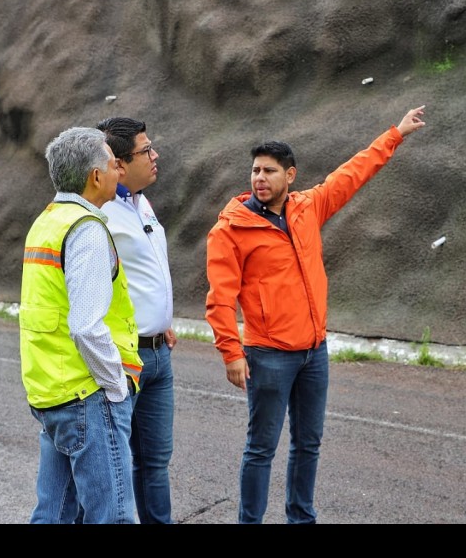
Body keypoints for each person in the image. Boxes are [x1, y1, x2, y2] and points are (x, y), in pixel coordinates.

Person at [205, 105, 427, 524]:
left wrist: (395, 134)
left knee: (308, 444)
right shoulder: (230, 230)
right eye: (255, 170)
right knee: (261, 448)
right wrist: (231, 352)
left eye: (269, 171)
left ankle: (301, 518)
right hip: (268, 354)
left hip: (314, 352)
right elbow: (220, 298)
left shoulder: (308, 207)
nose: (259, 178)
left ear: (290, 175)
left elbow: (353, 173)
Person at [19, 126, 143, 524]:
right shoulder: (86, 229)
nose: (119, 169)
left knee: (53, 514)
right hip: (87, 392)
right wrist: (116, 386)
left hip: (51, 390)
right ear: (95, 176)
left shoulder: (47, 221)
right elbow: (86, 326)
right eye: (112, 162)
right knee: (113, 516)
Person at [97, 117, 177, 524]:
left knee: (156, 463)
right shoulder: (102, 214)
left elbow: (143, 274)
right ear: (120, 165)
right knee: (114, 463)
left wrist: (161, 318)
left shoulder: (140, 202)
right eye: (146, 150)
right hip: (126, 357)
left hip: (160, 353)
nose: (155, 155)